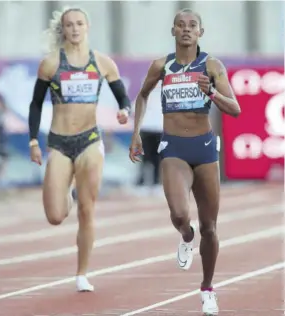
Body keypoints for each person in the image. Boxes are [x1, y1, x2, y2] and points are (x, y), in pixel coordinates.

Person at [129, 8, 241, 316]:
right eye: (181, 25)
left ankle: (207, 289)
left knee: (210, 226)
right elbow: (141, 96)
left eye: (192, 25)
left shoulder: (212, 65)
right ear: (173, 31)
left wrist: (214, 93)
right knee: (180, 214)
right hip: (174, 147)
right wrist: (136, 133)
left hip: (204, 149)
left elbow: (235, 109)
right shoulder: (161, 65)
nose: (187, 30)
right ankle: (184, 236)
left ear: (200, 32)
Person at [28, 7, 131, 292]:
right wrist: (33, 141)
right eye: (69, 25)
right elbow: (36, 103)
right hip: (59, 142)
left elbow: (123, 97)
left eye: (79, 24)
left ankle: (82, 273)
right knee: (55, 215)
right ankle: (67, 196)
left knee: (88, 210)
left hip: (89, 141)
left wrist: (124, 110)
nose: (74, 29)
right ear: (63, 30)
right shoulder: (50, 64)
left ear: (87, 27)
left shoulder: (102, 63)